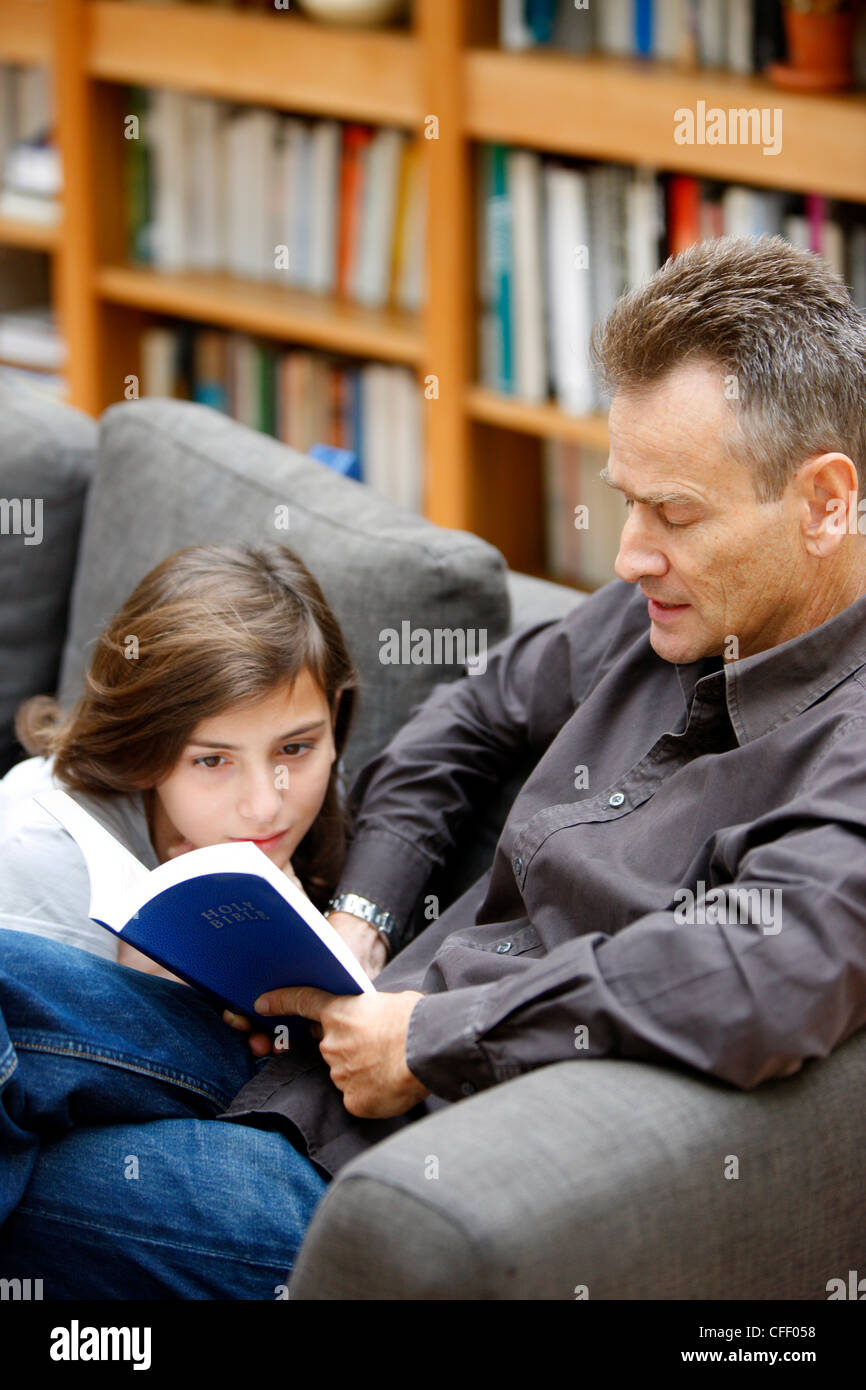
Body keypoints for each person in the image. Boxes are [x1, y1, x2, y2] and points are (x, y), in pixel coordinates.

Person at [4, 231, 866, 1298]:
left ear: (825, 501)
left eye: (672, 513)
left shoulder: (846, 747)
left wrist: (434, 1033)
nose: (626, 553)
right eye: (625, 498)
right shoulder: (663, 619)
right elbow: (465, 719)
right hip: (304, 1042)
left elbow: (766, 971)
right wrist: (358, 920)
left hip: (381, 1171)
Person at [0, 541, 389, 1296]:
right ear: (147, 749)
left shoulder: (317, 807)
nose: (265, 805)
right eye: (212, 760)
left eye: (298, 748)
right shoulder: (35, 843)